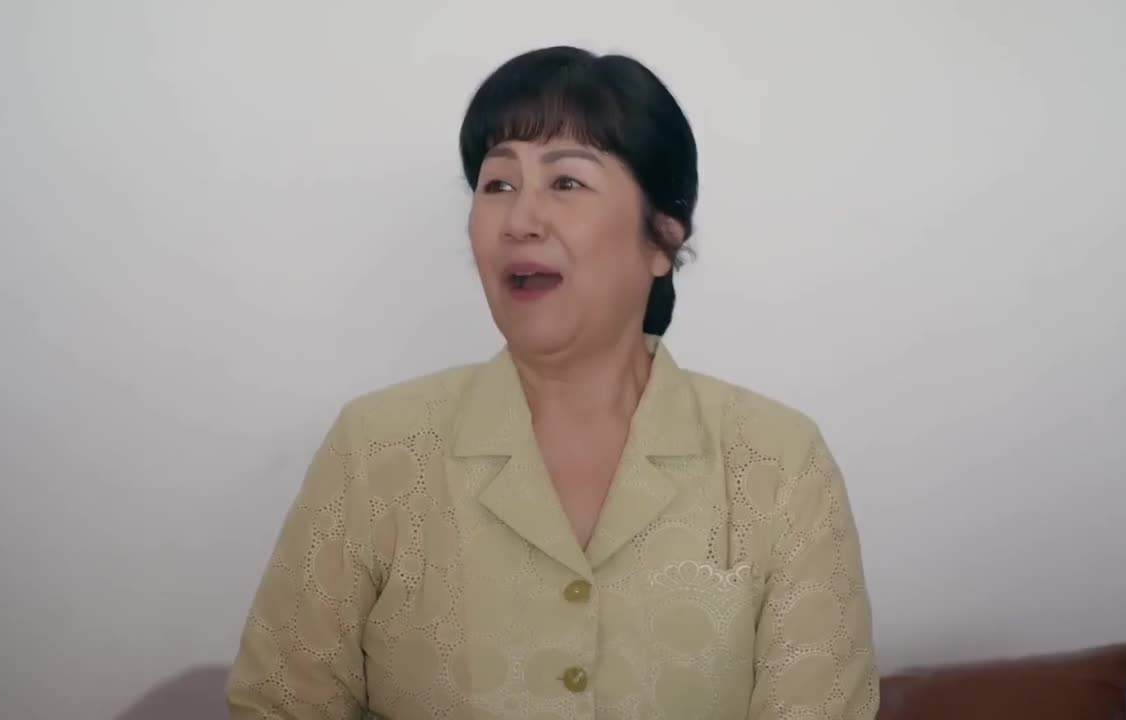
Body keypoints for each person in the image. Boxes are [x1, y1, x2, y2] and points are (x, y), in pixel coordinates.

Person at [226, 45, 880, 719]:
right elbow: (277, 705)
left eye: (566, 183)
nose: (519, 221)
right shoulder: (377, 449)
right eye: (497, 185)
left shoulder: (778, 464)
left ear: (662, 238)